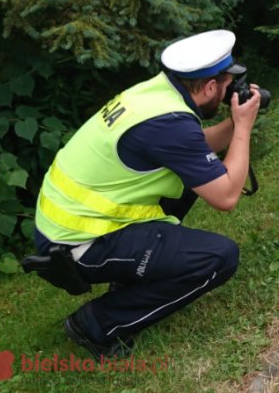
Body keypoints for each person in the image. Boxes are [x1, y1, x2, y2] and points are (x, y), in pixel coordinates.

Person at [32, 29, 262, 358]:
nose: (228, 93)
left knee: (192, 178)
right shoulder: (169, 125)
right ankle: (98, 324)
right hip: (75, 245)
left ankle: (131, 276)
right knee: (219, 258)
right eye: (226, 86)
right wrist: (241, 128)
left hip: (67, 225)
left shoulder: (157, 96)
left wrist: (240, 119)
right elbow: (226, 197)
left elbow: (195, 150)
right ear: (210, 87)